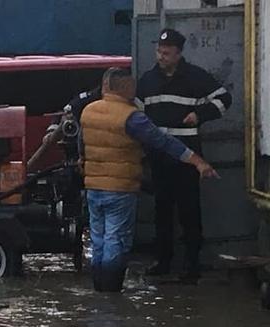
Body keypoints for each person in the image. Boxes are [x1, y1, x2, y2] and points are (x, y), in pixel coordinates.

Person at [80, 68, 218, 293]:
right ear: (125, 88)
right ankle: (111, 291)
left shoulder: (88, 111)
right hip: (120, 187)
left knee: (98, 238)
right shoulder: (131, 117)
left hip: (93, 186)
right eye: (132, 86)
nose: (136, 90)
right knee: (116, 237)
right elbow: (163, 142)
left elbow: (82, 145)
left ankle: (99, 288)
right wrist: (197, 161)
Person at [136, 28, 232, 283]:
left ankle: (192, 264)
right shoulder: (148, 80)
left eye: (166, 53)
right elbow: (136, 113)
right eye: (159, 52)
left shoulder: (195, 77)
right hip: (158, 157)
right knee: (162, 210)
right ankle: (163, 260)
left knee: (189, 211)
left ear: (178, 54)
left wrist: (200, 114)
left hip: (187, 157)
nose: (161, 57)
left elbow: (224, 99)